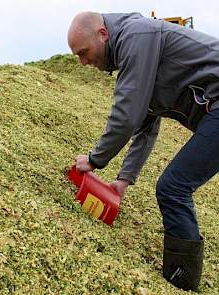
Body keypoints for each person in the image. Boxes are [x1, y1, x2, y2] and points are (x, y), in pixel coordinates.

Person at [67, 11, 219, 291]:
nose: (83, 62)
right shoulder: (137, 48)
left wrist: (94, 159)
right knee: (174, 187)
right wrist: (123, 180)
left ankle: (181, 281)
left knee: (173, 188)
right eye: (78, 56)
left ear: (102, 34)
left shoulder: (137, 36)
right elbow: (145, 125)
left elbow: (127, 115)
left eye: (84, 52)